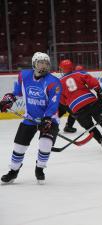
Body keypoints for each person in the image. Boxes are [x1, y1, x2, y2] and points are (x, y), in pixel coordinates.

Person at [0, 52, 62, 184]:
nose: (44, 66)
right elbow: (18, 92)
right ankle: (13, 171)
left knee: (45, 144)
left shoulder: (53, 82)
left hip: (50, 119)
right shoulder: (24, 75)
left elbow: (53, 104)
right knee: (19, 146)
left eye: (46, 63)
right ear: (34, 64)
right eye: (41, 63)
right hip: (30, 118)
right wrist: (9, 99)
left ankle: (39, 169)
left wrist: (47, 119)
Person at [58, 59, 102, 152]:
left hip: (77, 108)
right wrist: (99, 93)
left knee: (89, 127)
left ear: (62, 69)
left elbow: (62, 100)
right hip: (91, 102)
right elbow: (94, 82)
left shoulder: (59, 83)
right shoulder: (79, 74)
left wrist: (70, 107)